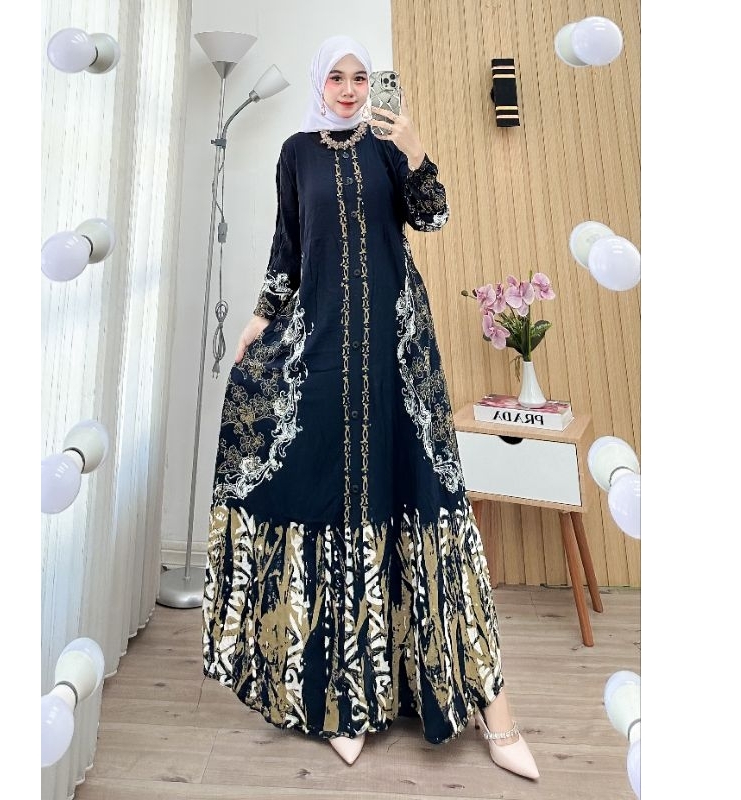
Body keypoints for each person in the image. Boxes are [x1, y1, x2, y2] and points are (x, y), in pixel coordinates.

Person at [201, 34, 539, 779]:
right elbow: (288, 250)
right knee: (330, 499)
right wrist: (259, 320)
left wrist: (415, 148)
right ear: (321, 83)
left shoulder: (389, 146)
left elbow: (433, 216)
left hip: (396, 356)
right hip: (320, 352)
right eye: (338, 77)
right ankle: (341, 701)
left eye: (361, 77)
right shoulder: (295, 153)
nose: (351, 89)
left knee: (424, 498)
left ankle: (493, 708)